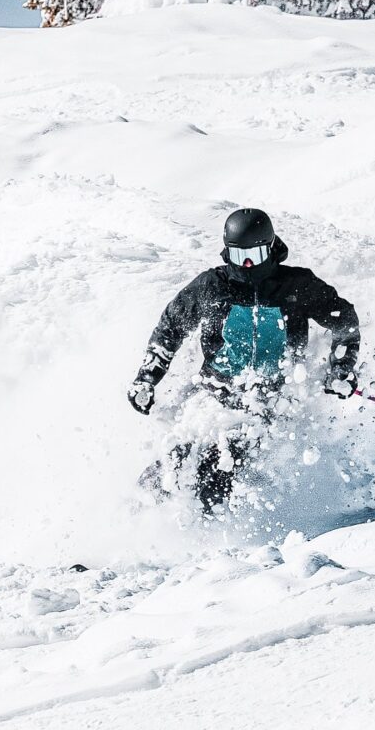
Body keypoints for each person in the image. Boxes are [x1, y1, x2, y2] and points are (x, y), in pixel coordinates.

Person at [128, 208, 361, 511]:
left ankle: (214, 545)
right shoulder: (213, 286)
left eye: (256, 254)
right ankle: (134, 519)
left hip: (271, 400)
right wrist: (147, 377)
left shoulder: (296, 285)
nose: (248, 264)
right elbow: (170, 328)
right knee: (176, 459)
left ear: (271, 247)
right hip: (213, 393)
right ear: (228, 253)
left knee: (220, 466)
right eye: (240, 256)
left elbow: (343, 320)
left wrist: (341, 368)